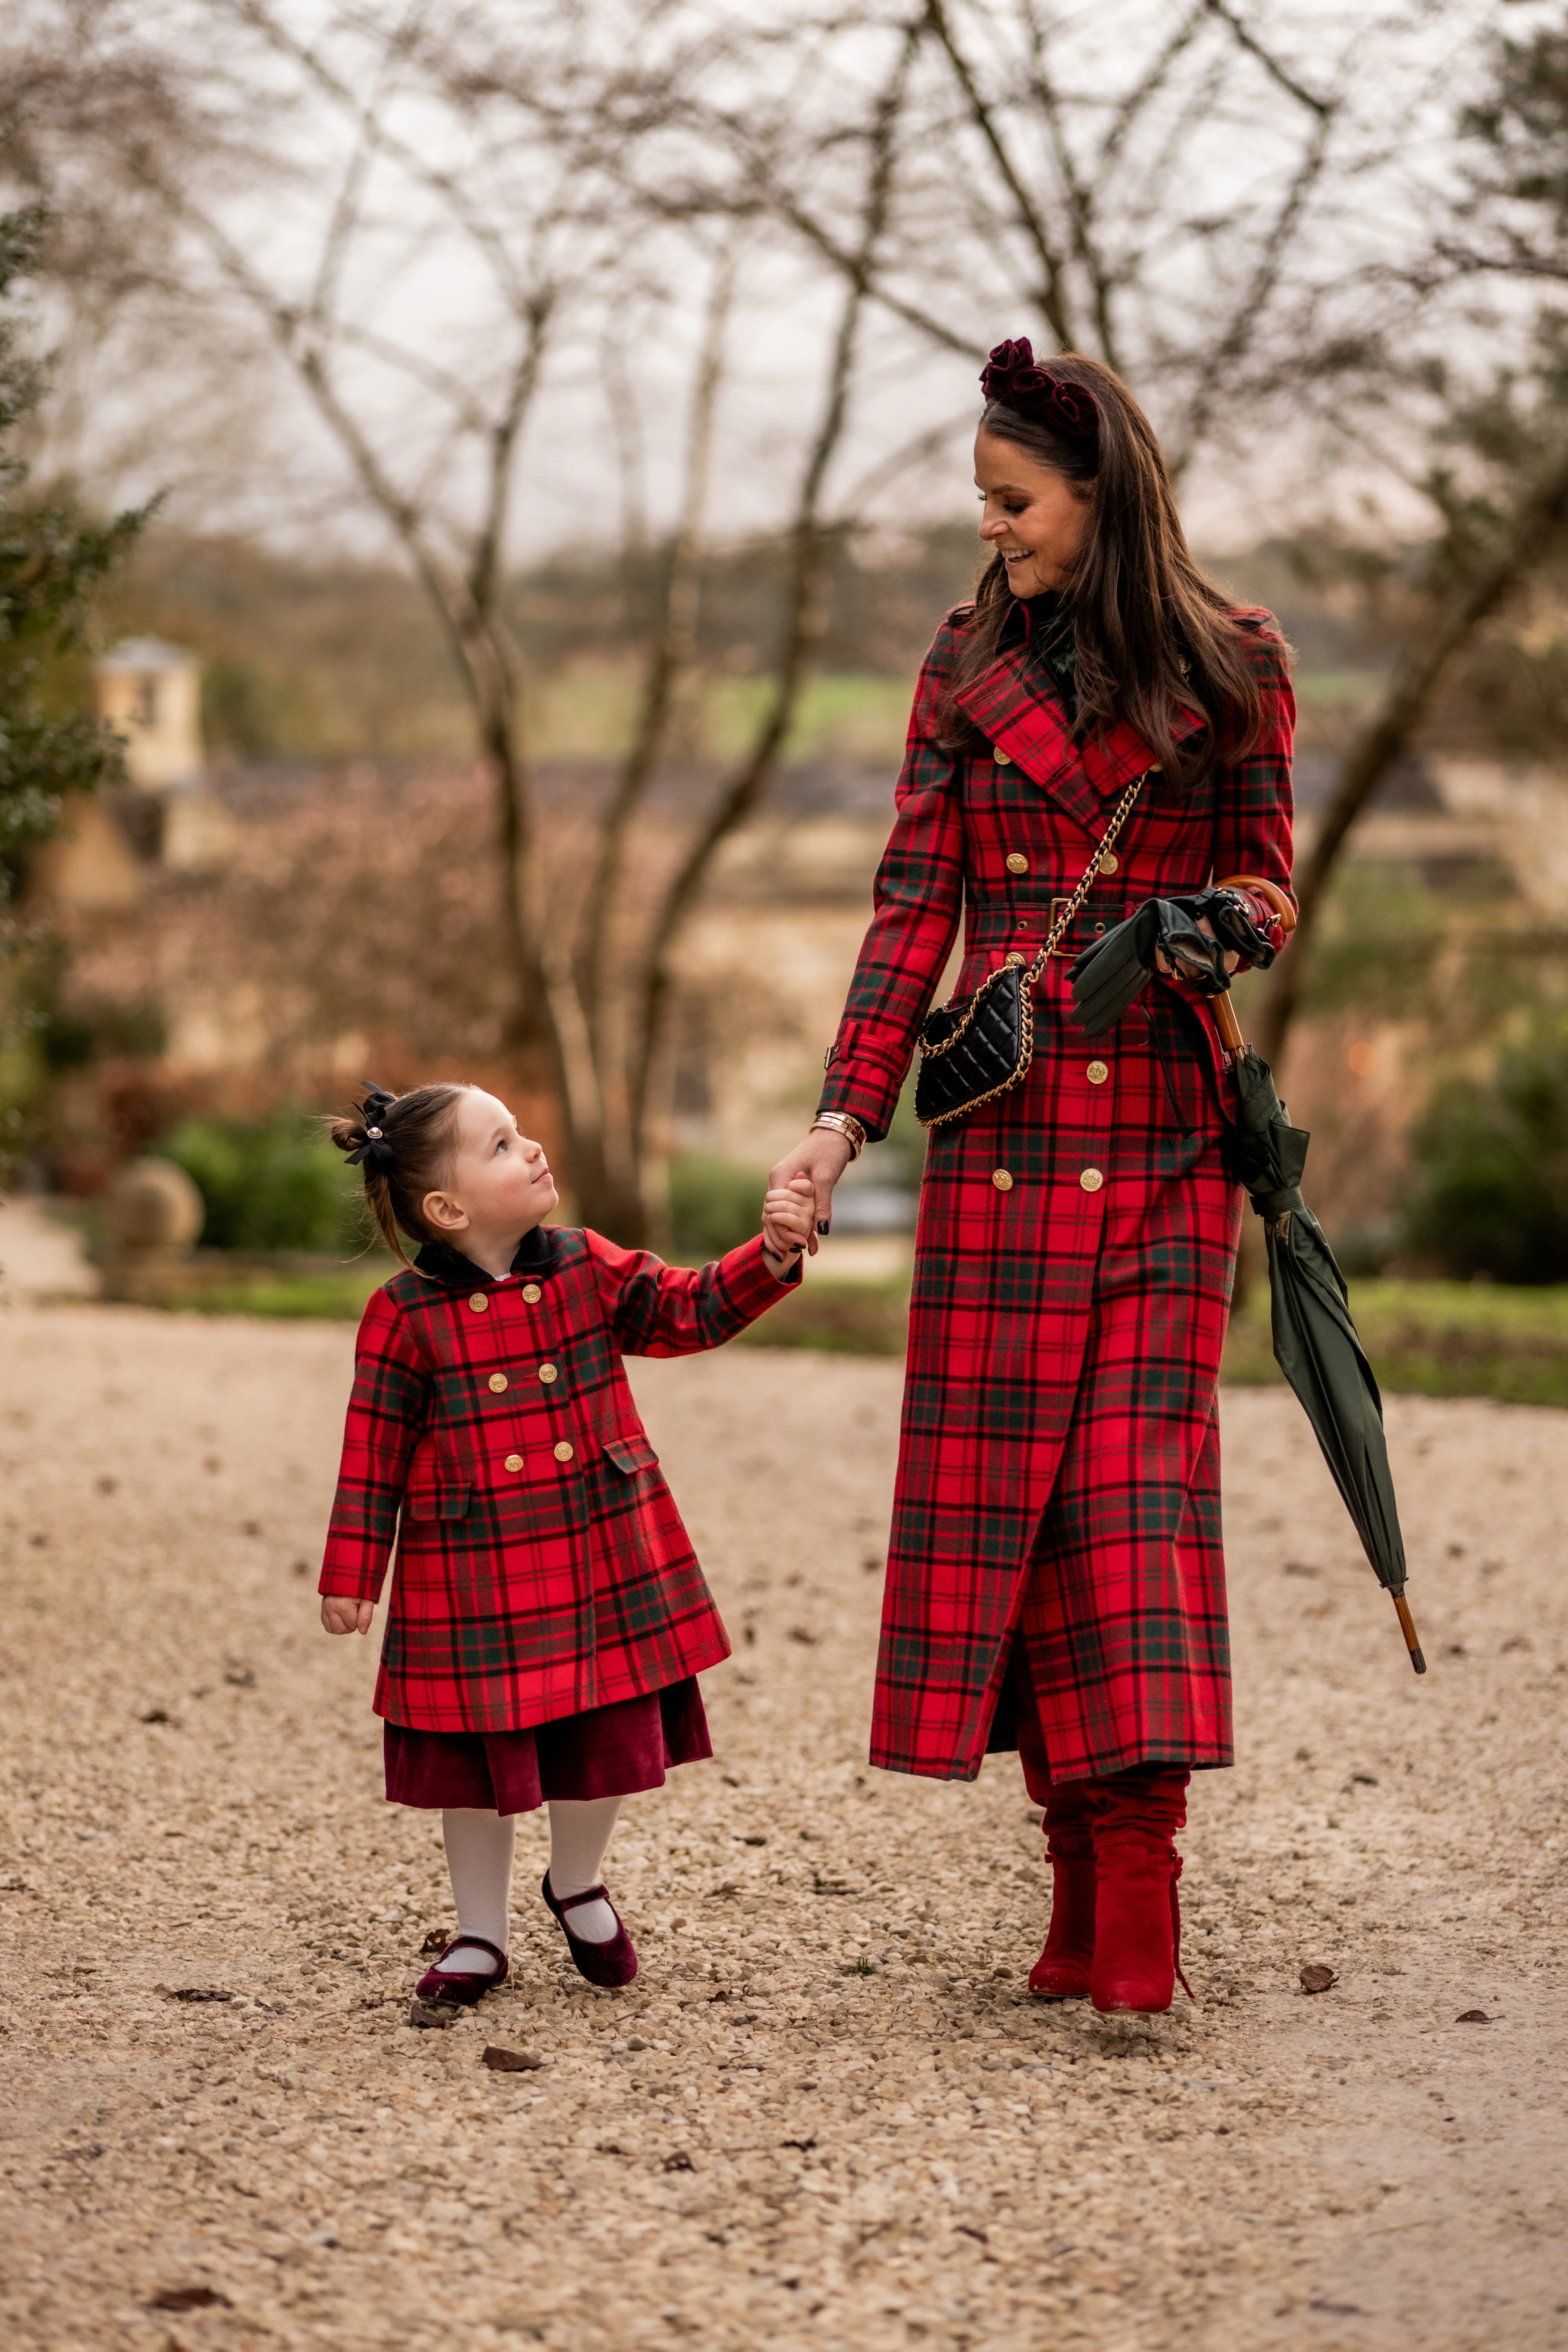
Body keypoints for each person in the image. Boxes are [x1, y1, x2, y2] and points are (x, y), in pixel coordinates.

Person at [769, 339, 1296, 2015]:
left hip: (1161, 1140)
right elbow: (910, 908)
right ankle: (1071, 1886)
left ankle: (1138, 1879)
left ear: (1100, 496)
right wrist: (842, 1119)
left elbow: (1270, 884)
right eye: (983, 504)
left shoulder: (1238, 663)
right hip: (1000, 1137)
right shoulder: (962, 659)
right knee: (1027, 1514)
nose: (991, 530)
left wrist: (1222, 929)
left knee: (1133, 1500)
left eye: (1014, 503)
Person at [319, 1080, 814, 2019]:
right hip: (472, 1574)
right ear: (447, 1209)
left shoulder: (587, 1265)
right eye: (502, 1144)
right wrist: (352, 1574)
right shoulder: (404, 1315)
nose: (533, 1147)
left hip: (595, 1549)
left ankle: (576, 1881)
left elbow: (687, 1309)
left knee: (602, 1738)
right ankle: (479, 1932)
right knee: (473, 1764)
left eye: (520, 1132)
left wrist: (773, 1254)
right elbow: (372, 1451)